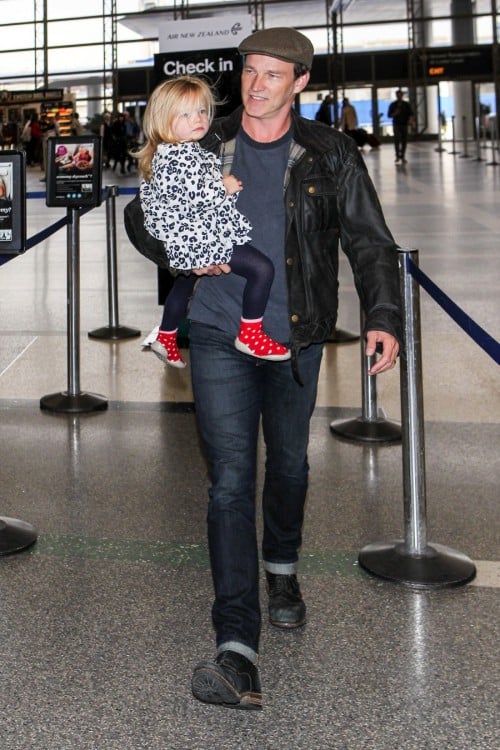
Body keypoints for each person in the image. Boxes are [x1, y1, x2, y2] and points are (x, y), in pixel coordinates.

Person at [185, 27, 402, 710]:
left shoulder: (329, 152)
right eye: (249, 71)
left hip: (297, 336)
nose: (256, 85)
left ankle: (282, 569)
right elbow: (144, 215)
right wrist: (177, 245)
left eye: (273, 75)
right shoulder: (202, 140)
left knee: (289, 466)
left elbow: (369, 240)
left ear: (301, 82)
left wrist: (383, 315)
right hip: (219, 330)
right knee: (228, 481)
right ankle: (237, 646)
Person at [136, 76, 290, 367]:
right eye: (185, 114)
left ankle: (166, 336)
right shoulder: (180, 156)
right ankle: (251, 332)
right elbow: (195, 197)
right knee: (261, 269)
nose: (198, 119)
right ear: (162, 119)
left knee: (183, 283)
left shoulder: (171, 152)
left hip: (187, 240)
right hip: (200, 238)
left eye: (202, 111)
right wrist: (224, 187)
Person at [388, 89, 414, 163]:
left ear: (402, 95)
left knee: (404, 140)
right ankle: (397, 156)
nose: (399, 96)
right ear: (396, 96)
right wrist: (395, 113)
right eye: (398, 95)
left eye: (400, 95)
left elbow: (411, 114)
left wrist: (410, 121)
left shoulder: (406, 104)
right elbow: (389, 115)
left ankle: (402, 156)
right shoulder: (393, 105)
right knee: (396, 140)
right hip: (396, 124)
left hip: (404, 124)